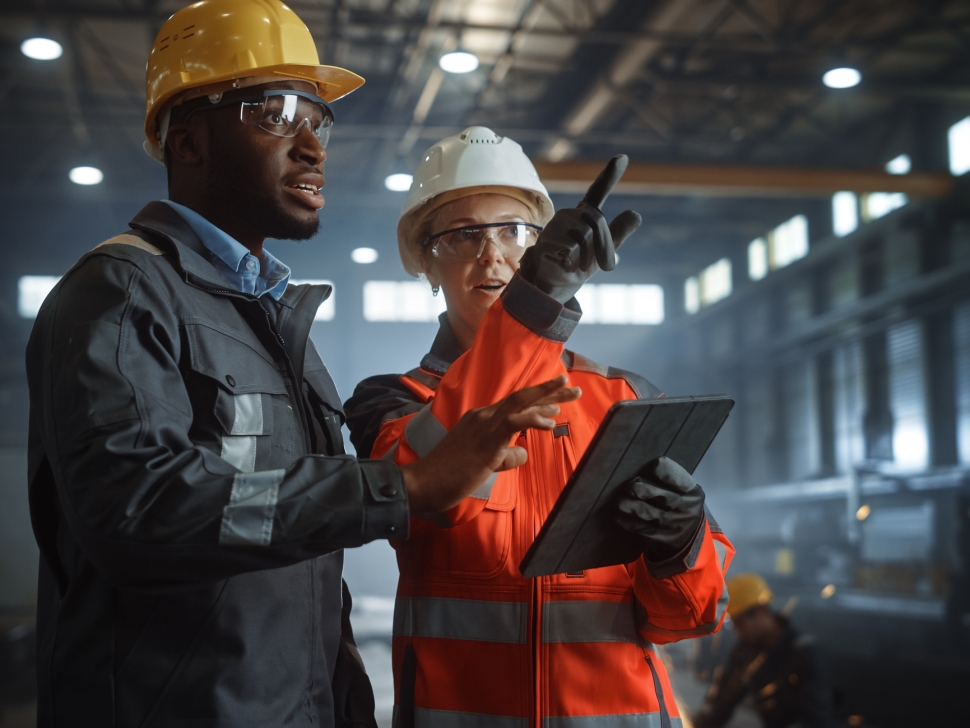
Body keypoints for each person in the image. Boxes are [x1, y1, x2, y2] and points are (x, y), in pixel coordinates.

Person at [25, 3, 579, 726]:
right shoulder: (124, 292)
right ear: (187, 140)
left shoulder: (276, 323)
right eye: (277, 113)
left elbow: (299, 557)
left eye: (318, 120)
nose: (312, 146)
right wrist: (399, 485)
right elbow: (140, 511)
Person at [344, 127, 735, 727]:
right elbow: (423, 497)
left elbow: (686, 618)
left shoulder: (622, 399)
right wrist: (536, 301)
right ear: (425, 261)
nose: (493, 253)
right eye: (463, 235)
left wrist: (680, 545)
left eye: (514, 232)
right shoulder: (393, 402)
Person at [692, 573, 833, 728]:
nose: (737, 632)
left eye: (739, 624)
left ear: (760, 612)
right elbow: (724, 699)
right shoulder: (746, 652)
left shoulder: (805, 654)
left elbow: (816, 719)